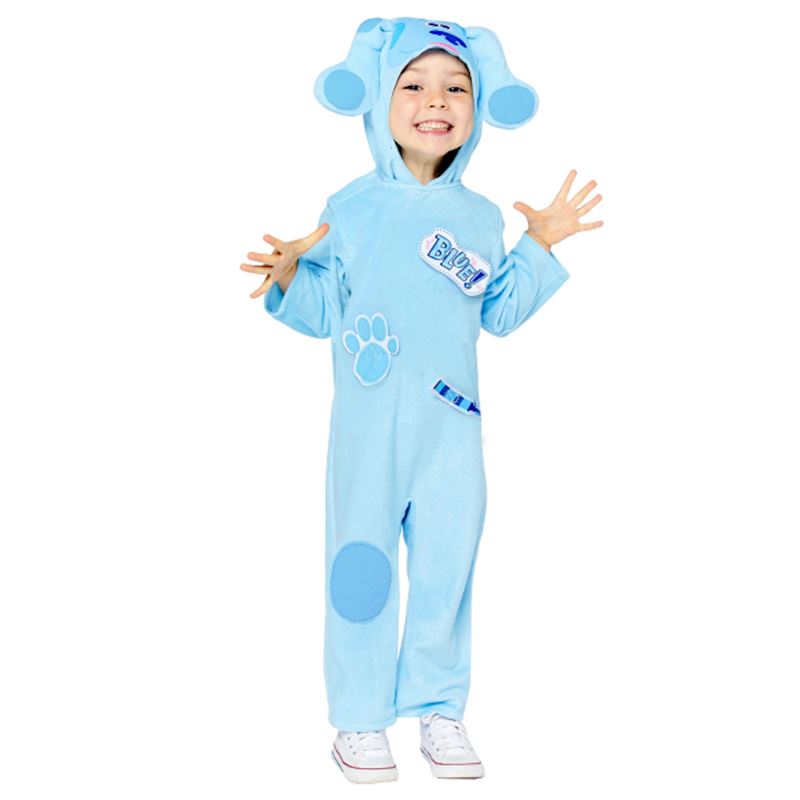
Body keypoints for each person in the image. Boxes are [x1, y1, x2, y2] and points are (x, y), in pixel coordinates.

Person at [240, 17, 603, 783]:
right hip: (367, 431)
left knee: (447, 568)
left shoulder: (479, 217)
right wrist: (290, 278)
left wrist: (539, 245)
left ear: (477, 110)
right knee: (361, 571)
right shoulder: (350, 207)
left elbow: (498, 312)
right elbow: (327, 311)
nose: (435, 101)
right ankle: (360, 719)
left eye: (456, 88)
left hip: (451, 429)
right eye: (413, 85)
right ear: (379, 100)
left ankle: (439, 707)